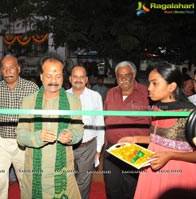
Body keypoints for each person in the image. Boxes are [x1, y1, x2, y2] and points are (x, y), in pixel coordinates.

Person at [118, 63, 196, 199]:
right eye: (149, 83)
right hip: (152, 167)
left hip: (178, 173)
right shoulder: (156, 109)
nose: (149, 88)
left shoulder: (190, 113)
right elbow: (159, 138)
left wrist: (171, 155)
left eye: (155, 84)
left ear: (171, 86)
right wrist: (135, 139)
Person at [16, 53, 84, 198]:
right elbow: (20, 136)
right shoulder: (28, 102)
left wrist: (71, 136)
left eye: (58, 76)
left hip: (63, 172)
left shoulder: (73, 101)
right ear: (41, 76)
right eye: (49, 76)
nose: (54, 80)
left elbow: (79, 130)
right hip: (35, 172)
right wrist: (37, 137)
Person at [0, 54, 39, 199]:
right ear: (1, 71)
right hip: (2, 142)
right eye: (4, 68)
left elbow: (38, 118)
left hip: (23, 144)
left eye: (11, 68)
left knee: (26, 181)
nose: (8, 71)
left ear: (18, 69)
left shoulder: (31, 88)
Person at [103, 61, 151, 199]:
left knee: (132, 189)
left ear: (134, 75)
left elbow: (153, 122)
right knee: (112, 188)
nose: (123, 79)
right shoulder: (111, 92)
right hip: (112, 149)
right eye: (119, 76)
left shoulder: (146, 94)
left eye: (126, 75)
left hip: (135, 149)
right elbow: (106, 117)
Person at [66, 65, 105, 199]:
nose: (78, 79)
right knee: (67, 180)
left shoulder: (95, 96)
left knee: (84, 182)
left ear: (86, 79)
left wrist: (99, 149)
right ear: (70, 79)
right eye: (75, 76)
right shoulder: (63, 97)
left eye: (82, 76)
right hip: (67, 147)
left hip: (88, 147)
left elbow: (100, 123)